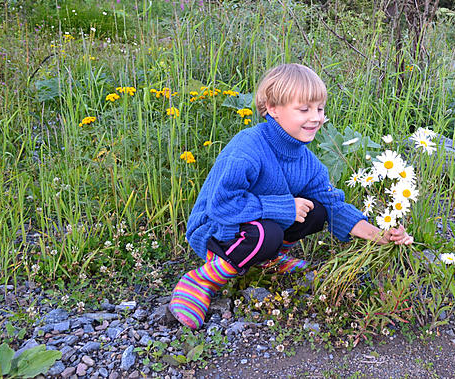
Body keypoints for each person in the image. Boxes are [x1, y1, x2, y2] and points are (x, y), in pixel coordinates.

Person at [169, 63, 413, 329]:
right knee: (269, 232)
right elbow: (222, 206)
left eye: (319, 109)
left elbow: (334, 207)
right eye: (304, 109)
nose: (316, 118)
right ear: (273, 108)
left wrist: (379, 234)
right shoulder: (248, 147)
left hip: (255, 227)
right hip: (216, 231)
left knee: (317, 210)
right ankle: (202, 280)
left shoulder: (306, 160)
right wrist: (283, 207)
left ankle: (267, 259)